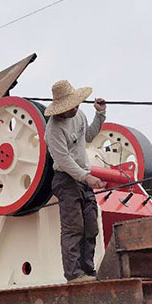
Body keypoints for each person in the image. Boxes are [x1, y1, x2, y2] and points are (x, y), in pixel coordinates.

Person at [44, 80, 107, 282]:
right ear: (61, 108)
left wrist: (100, 114)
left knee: (91, 227)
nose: (76, 107)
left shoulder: (78, 115)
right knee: (74, 228)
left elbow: (88, 136)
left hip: (82, 177)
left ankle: (88, 271)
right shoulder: (53, 130)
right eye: (72, 105)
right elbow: (64, 160)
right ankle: (73, 274)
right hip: (65, 179)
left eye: (77, 103)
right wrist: (86, 176)